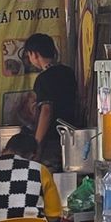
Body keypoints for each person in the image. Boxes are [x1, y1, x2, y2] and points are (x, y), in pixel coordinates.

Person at [19, 34, 83, 164]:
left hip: (52, 142)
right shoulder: (68, 72)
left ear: (35, 54)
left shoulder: (43, 78)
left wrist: (37, 144)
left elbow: (46, 111)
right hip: (72, 138)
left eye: (29, 55)